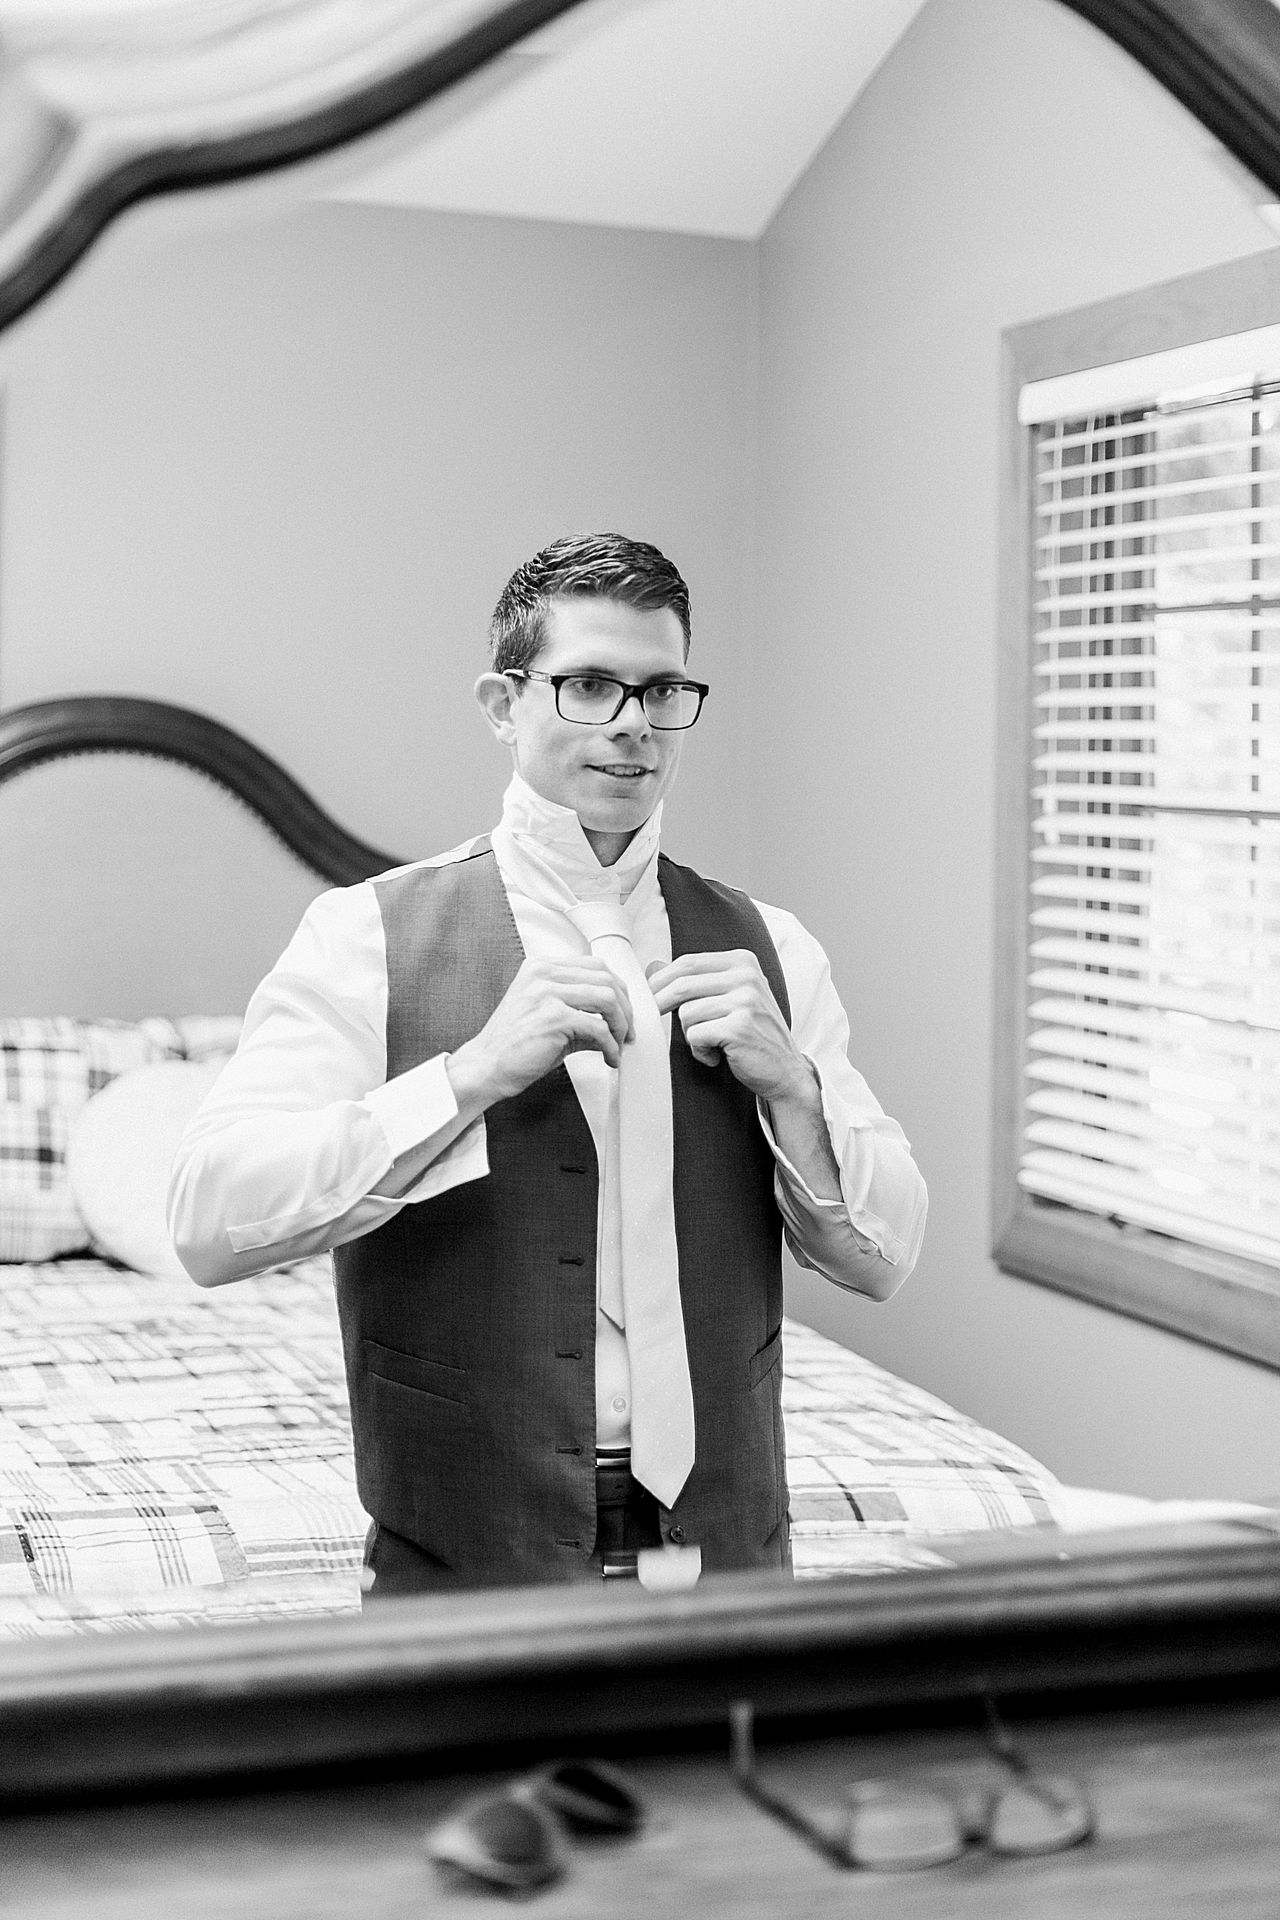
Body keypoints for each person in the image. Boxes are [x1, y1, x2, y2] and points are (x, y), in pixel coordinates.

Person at [169, 533, 927, 1596]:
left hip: (731, 1555)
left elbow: (882, 1258)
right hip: (465, 1548)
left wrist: (793, 1092)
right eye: (586, 686)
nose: (630, 723)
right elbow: (208, 1221)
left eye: (661, 690)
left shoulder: (775, 949)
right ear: (500, 703)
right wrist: (466, 1075)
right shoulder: (363, 938)